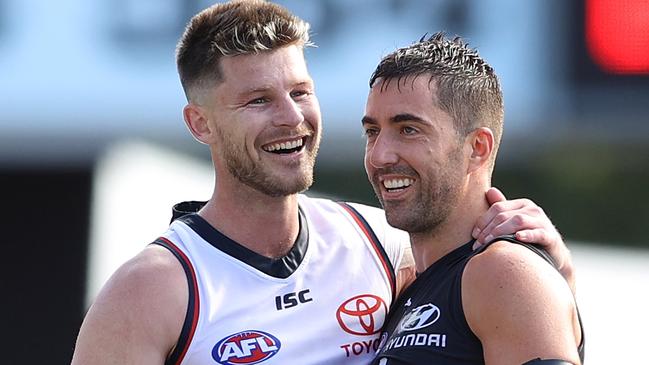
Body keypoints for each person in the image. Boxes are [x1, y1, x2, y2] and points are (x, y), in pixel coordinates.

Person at [71, 2, 576, 365]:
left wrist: (554, 266)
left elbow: (520, 309)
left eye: (300, 91)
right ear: (199, 123)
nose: (292, 118)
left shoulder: (383, 244)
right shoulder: (148, 292)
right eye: (258, 101)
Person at [365, 33, 584, 365]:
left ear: (477, 148)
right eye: (372, 132)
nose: (380, 155)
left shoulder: (503, 272)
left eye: (408, 129)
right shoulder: (410, 283)